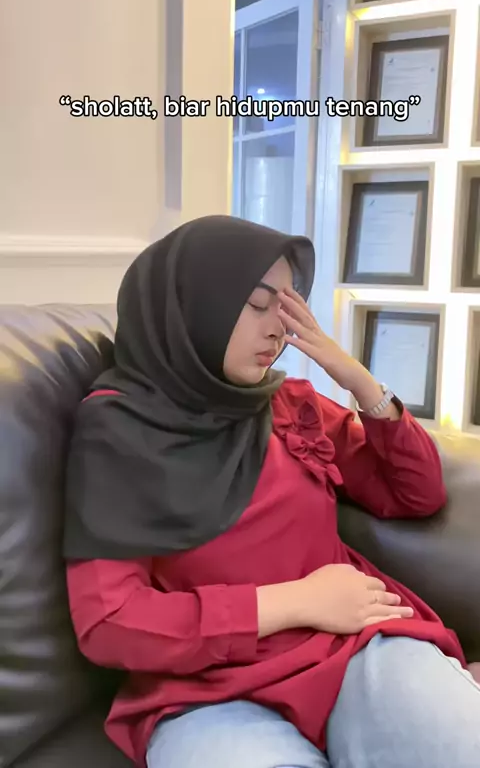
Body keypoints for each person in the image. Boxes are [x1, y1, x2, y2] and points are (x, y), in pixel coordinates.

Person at [63, 215, 480, 768]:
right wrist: (295, 602)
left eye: (285, 309)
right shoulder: (118, 432)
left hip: (355, 649)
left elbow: (416, 492)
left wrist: (356, 377)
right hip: (205, 692)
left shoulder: (287, 403)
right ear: (194, 307)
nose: (278, 330)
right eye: (258, 305)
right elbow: (109, 623)